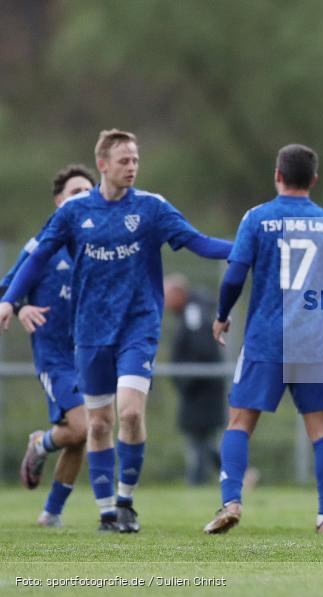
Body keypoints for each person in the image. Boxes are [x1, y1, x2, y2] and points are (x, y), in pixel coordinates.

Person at [0, 129, 232, 533]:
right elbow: (35, 261)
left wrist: (246, 249)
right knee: (98, 424)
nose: (132, 167)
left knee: (128, 411)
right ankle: (106, 511)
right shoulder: (73, 214)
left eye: (136, 160)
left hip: (137, 327)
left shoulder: (151, 209)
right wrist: (10, 299)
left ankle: (126, 501)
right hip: (89, 332)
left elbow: (199, 243)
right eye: (124, 161)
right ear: (103, 164)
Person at [203, 143, 323, 535]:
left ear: (277, 175)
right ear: (314, 180)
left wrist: (221, 316)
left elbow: (234, 276)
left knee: (239, 422)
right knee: (322, 428)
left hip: (266, 338)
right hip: (312, 343)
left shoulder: (257, 218)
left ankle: (232, 501)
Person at [0, 165, 94, 527]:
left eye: (88, 191)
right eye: (74, 193)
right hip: (55, 357)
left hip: (89, 352)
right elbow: (6, 288)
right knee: (82, 426)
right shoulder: (44, 246)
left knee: (80, 435)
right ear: (59, 202)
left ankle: (51, 514)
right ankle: (39, 444)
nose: (82, 198)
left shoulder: (96, 245)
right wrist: (21, 307)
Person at [163, 273, 226, 486]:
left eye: (167, 296)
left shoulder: (193, 311)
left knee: (200, 436)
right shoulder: (191, 311)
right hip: (198, 385)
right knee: (202, 437)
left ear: (179, 294)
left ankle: (198, 480)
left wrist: (187, 380)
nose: (165, 303)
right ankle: (238, 475)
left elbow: (202, 347)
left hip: (201, 386)